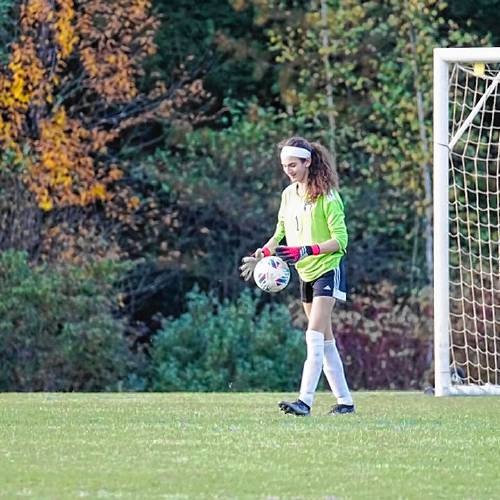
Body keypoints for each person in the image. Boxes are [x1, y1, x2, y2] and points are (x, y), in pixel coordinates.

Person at [240, 136, 354, 417]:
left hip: (328, 269)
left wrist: (307, 249)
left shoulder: (328, 197)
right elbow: (280, 231)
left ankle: (304, 401)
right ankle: (345, 402)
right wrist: (263, 253)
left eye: (293, 165)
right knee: (325, 341)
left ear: (308, 161)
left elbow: (341, 241)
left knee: (313, 336)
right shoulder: (289, 195)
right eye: (284, 165)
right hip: (304, 273)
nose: (288, 170)